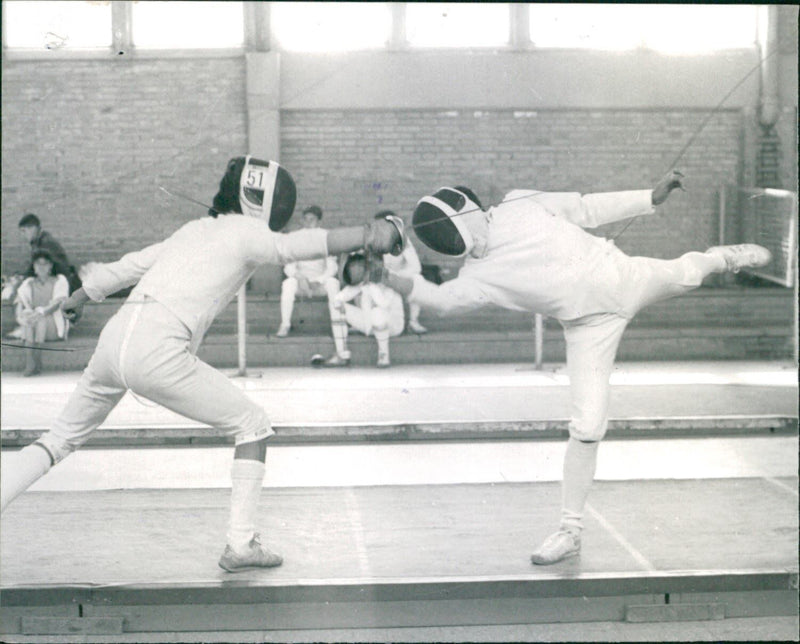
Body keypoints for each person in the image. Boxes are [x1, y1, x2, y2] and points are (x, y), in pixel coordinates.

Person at [0, 155, 404, 573]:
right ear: (265, 202)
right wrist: (369, 234)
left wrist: (78, 298)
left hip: (114, 341)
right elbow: (288, 248)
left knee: (57, 440)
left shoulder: (193, 230)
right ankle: (241, 545)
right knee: (253, 424)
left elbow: (131, 265)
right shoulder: (246, 232)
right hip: (158, 350)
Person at [381, 171, 772, 566]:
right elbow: (444, 301)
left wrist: (648, 198)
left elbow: (585, 208)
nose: (463, 244)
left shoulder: (522, 202)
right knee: (587, 428)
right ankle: (570, 531)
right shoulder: (478, 275)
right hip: (589, 326)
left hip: (626, 276)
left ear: (468, 211)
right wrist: (391, 280)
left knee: (687, 274)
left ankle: (721, 257)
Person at [275, 206, 344, 352]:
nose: (308, 223)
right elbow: (288, 265)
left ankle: (337, 324)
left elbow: (332, 268)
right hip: (302, 283)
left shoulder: (326, 237)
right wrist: (300, 277)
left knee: (333, 283)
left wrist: (319, 280)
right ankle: (285, 324)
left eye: (312, 220)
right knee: (288, 284)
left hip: (320, 283)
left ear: (319, 221)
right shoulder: (295, 237)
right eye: (305, 219)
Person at [329, 251, 405, 368]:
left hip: (393, 325)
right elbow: (340, 297)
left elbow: (383, 303)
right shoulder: (362, 282)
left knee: (377, 312)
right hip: (370, 324)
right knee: (337, 308)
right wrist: (339, 302)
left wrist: (372, 287)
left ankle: (383, 355)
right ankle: (342, 354)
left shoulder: (388, 277)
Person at [14, 249, 71, 376]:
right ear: (33, 266)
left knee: (38, 319)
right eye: (38, 263)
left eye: (45, 263)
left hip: (53, 326)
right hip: (33, 324)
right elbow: (20, 302)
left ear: (51, 265)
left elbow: (57, 303)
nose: (41, 267)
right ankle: (32, 363)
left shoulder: (59, 281)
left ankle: (34, 363)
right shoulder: (29, 283)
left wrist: (41, 312)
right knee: (29, 318)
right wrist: (21, 317)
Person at [375, 210, 428, 334]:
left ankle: (413, 321)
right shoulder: (372, 241)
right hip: (379, 280)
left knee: (417, 279)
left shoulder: (402, 241)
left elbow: (416, 267)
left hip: (398, 277)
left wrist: (396, 276)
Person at [17, 213, 82, 294]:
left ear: (33, 228)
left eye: (24, 231)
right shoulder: (39, 241)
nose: (23, 235)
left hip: (63, 287)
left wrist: (24, 278)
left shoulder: (45, 243)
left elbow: (41, 267)